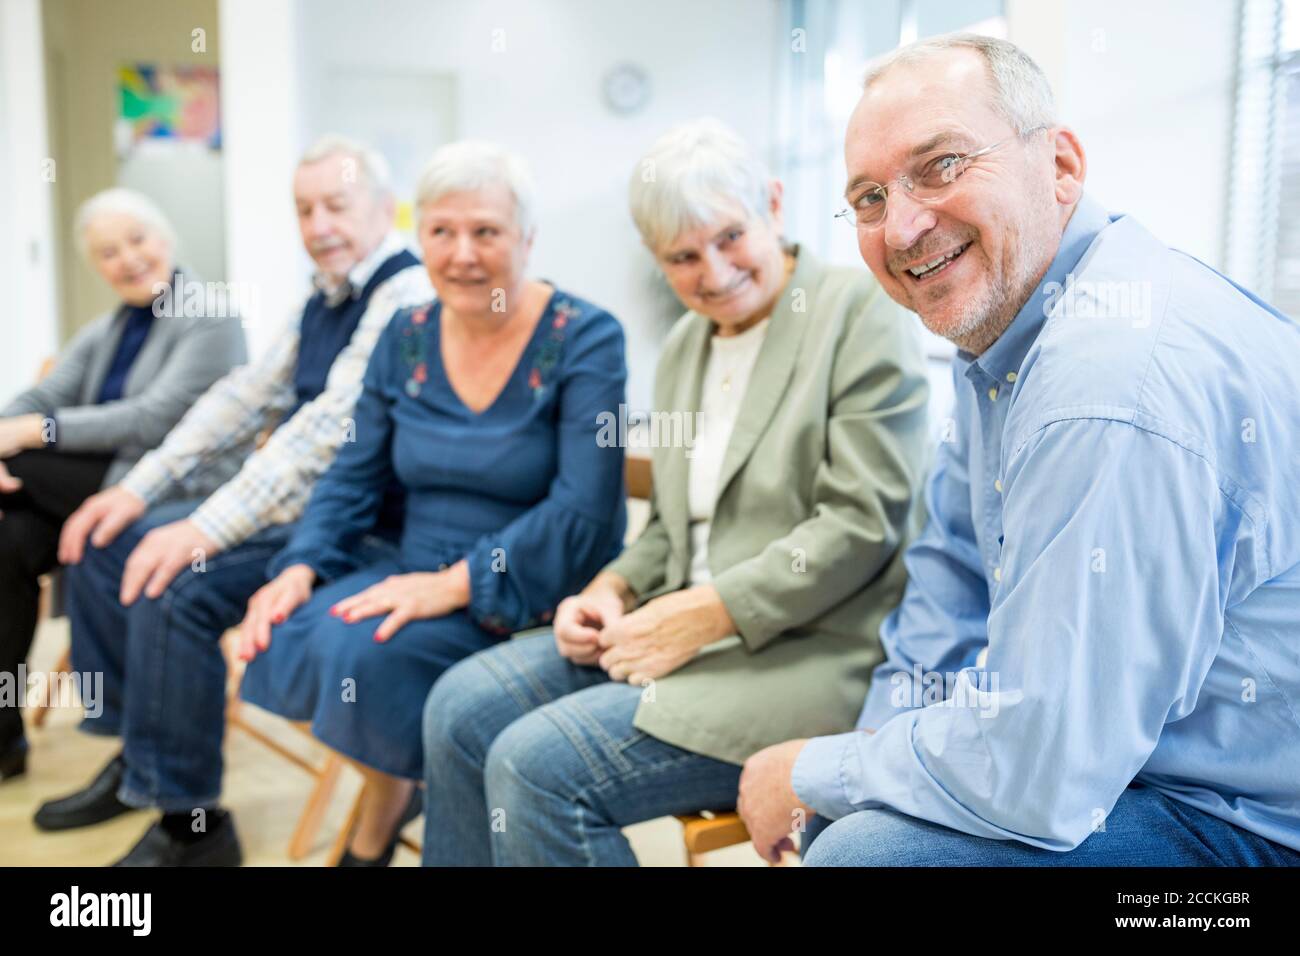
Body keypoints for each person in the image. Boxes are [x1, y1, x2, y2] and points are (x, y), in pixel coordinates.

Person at [737, 33, 1300, 867]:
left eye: (942, 165)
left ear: (1062, 165)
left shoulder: (1104, 386)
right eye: (866, 198)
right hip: (1140, 763)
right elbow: (949, 585)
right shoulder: (1005, 345)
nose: (902, 227)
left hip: (1247, 825)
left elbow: (1046, 765)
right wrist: (859, 764)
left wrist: (818, 770)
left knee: (868, 860)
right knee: (851, 824)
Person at [420, 119, 930, 866]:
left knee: (537, 767)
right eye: (683, 258)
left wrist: (703, 614)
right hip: (680, 633)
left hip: (811, 653)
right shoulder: (688, 344)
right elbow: (669, 525)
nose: (714, 274)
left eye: (730, 238)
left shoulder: (856, 313)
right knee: (458, 708)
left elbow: (861, 524)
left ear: (775, 206)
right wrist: (611, 588)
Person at [34, 135, 433, 866]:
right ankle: (143, 759)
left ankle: (192, 824)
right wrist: (135, 491)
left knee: (173, 587)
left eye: (336, 207)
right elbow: (242, 400)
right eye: (304, 210)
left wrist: (203, 530)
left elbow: (321, 434)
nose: (319, 227)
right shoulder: (324, 295)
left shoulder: (405, 294)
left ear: (384, 209)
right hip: (301, 516)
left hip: (365, 531)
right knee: (107, 542)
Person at [237, 140, 628, 866]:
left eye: (486, 231)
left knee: (364, 652)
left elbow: (584, 511)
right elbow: (354, 472)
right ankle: (394, 786)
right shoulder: (405, 333)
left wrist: (453, 584)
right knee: (288, 625)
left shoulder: (585, 336)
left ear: (528, 238)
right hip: (413, 570)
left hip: (530, 586)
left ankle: (379, 823)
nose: (462, 254)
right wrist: (300, 565)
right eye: (441, 232)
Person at [0, 188, 245, 779]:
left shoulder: (210, 315)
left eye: (137, 240)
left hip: (167, 486)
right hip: (85, 484)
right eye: (108, 252)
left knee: (26, 466)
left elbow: (153, 418)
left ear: (165, 240)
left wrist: (34, 432)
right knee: (5, 547)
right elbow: (44, 395)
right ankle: (3, 737)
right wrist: (12, 425)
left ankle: (132, 736)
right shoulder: (108, 329)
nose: (128, 259)